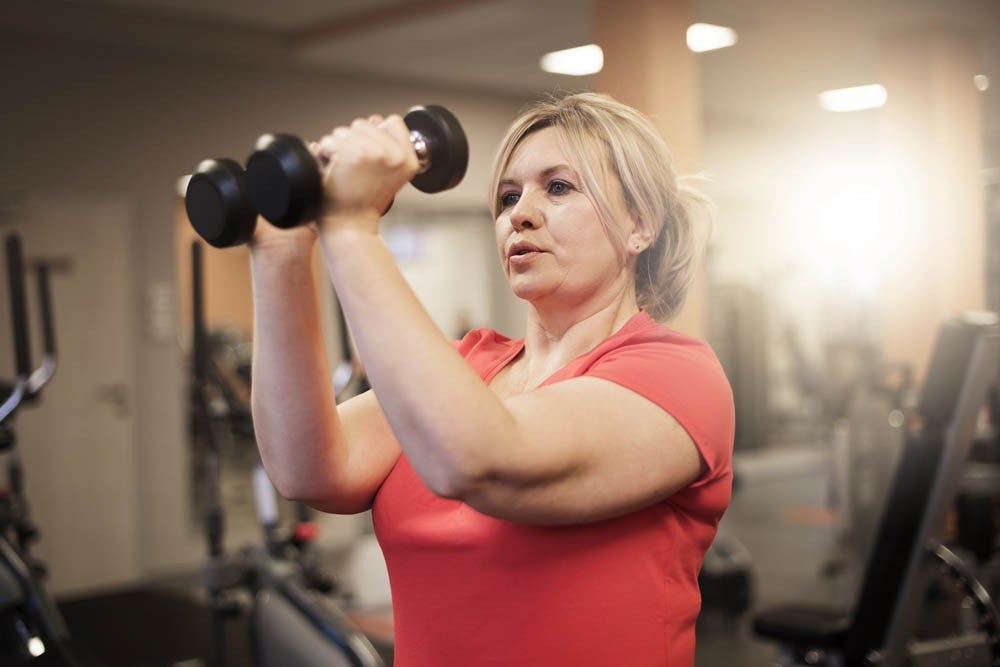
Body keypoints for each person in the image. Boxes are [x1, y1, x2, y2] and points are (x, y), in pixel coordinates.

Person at [249, 92, 735, 666]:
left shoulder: (678, 376)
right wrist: (281, 252)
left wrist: (353, 231)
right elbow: (308, 468)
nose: (520, 214)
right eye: (509, 195)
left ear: (639, 225)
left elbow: (479, 460)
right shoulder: (464, 369)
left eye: (559, 187)